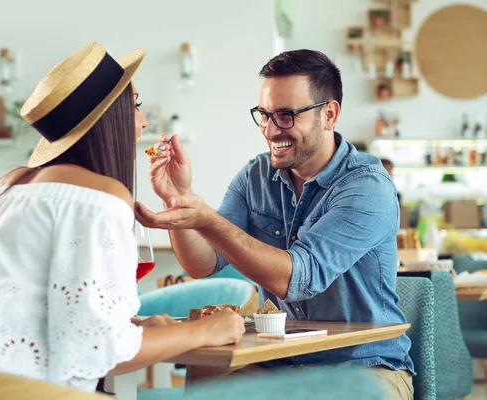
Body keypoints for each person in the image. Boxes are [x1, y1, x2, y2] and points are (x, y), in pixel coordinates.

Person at [0, 42, 244, 394]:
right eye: (135, 107)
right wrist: (205, 330)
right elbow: (99, 352)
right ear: (112, 119)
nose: (144, 120)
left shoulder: (7, 186)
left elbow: (44, 320)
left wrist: (136, 327)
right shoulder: (100, 197)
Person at [135, 49, 414, 399]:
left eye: (285, 116)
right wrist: (178, 197)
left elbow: (298, 278)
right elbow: (202, 263)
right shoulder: (255, 175)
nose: (269, 130)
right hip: (278, 361)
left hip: (366, 367)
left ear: (329, 114)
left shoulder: (367, 187)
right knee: (209, 378)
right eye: (264, 115)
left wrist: (207, 218)